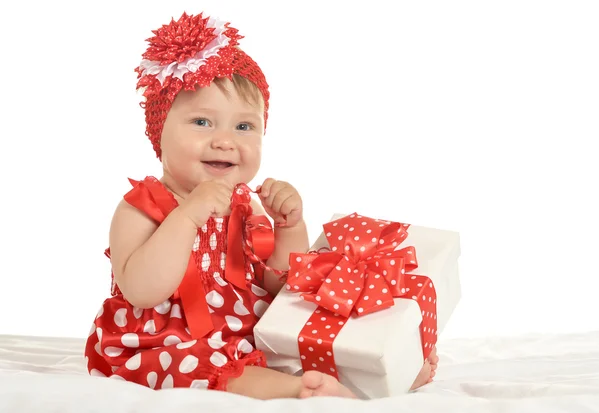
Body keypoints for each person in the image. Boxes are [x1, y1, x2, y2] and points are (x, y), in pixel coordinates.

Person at [84, 11, 438, 400]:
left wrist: (290, 227)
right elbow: (142, 291)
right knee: (204, 367)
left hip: (244, 331)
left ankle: (386, 375)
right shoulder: (141, 208)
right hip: (162, 341)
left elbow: (281, 282)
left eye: (244, 127)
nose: (224, 141)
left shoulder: (244, 206)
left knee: (297, 340)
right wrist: (187, 215)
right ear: (159, 132)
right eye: (202, 122)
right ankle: (297, 391)